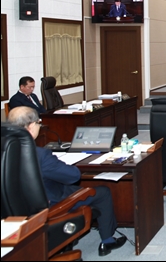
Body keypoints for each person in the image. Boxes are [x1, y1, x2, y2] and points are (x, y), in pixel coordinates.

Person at [7, 107, 127, 256]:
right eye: (39, 123)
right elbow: (73, 176)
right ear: (31, 126)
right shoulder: (40, 155)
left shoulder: (5, 152)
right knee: (103, 192)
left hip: (14, 211)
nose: (40, 126)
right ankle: (108, 241)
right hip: (50, 206)